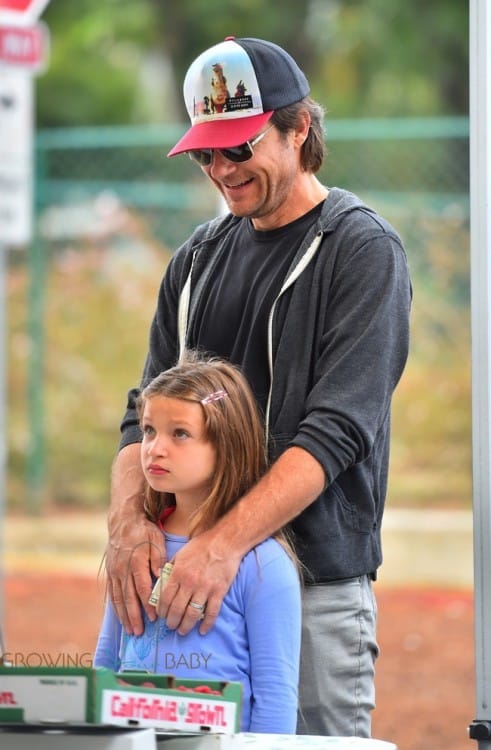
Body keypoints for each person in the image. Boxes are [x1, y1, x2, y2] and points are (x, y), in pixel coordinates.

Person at [105, 36, 412, 738]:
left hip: (306, 588)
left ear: (299, 127)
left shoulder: (360, 251)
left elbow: (335, 431)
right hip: (187, 584)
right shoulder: (198, 256)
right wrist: (127, 524)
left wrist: (224, 546)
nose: (220, 168)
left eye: (238, 148)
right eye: (205, 153)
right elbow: (140, 417)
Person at [95, 352, 302, 734]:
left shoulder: (263, 565)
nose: (154, 449)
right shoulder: (134, 551)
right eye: (149, 430)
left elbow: (276, 696)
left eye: (180, 434)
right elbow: (106, 665)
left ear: (226, 444)